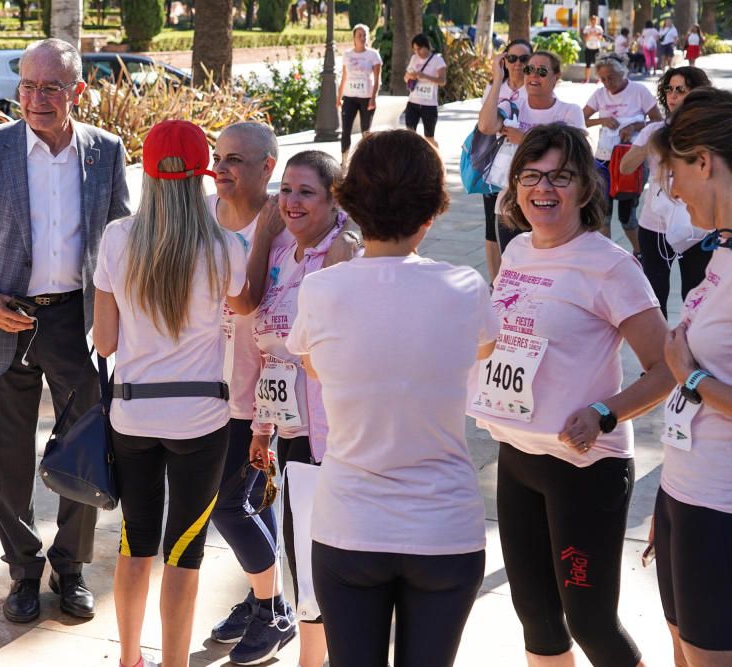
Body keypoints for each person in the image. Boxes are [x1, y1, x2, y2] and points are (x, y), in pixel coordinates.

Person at [0, 38, 131, 623]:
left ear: (78, 91)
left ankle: (69, 568)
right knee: (6, 458)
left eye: (50, 87)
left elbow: (119, 241)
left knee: (88, 450)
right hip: (3, 318)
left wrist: (118, 318)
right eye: (27, 85)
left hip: (77, 320)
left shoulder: (106, 150)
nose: (36, 98)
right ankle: (22, 570)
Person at [468, 124, 672, 667]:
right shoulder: (515, 254)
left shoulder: (608, 264)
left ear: (586, 188)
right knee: (534, 612)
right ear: (515, 188)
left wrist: (605, 413)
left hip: (584, 467)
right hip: (517, 458)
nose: (544, 189)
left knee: (590, 622)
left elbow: (666, 369)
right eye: (531, 176)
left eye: (561, 177)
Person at [291, 131, 493, 667]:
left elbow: (314, 364)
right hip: (445, 526)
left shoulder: (321, 290)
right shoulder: (466, 287)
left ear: (351, 201)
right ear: (432, 210)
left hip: (349, 524)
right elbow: (483, 348)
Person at [91, 119, 251, 667]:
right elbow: (245, 305)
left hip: (132, 415)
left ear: (149, 175)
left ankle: (129, 658)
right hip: (201, 421)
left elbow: (105, 342)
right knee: (185, 553)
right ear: (200, 178)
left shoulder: (116, 238)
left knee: (135, 542)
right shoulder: (224, 248)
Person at [245, 150, 360, 667]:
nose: (290, 202)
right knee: (304, 567)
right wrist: (261, 427)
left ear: (334, 199)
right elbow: (269, 345)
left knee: (341, 567)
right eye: (285, 190)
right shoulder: (278, 251)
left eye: (305, 192)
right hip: (291, 430)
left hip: (338, 437)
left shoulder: (346, 253)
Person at [206, 122, 299, 665]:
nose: (223, 167)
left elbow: (255, 303)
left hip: (255, 398)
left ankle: (273, 609)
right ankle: (261, 595)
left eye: (237, 159)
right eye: (219, 156)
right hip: (201, 389)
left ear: (269, 167)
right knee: (249, 503)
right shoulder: (201, 219)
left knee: (229, 505)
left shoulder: (286, 230)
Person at [650, 86, 732, 667]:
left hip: (721, 509)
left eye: (674, 173)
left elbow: (694, 373)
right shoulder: (722, 248)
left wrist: (692, 378)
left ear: (703, 160)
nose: (672, 191)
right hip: (685, 492)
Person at [478, 51, 586, 274]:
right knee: (513, 273)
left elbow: (579, 154)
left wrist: (525, 139)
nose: (533, 75)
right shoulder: (513, 106)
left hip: (552, 205)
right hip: (511, 206)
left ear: (556, 77)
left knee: (550, 274)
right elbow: (486, 127)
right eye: (529, 70)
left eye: (542, 71)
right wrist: (498, 78)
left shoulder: (569, 111)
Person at [619, 66, 712, 318]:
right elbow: (625, 167)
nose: (672, 95)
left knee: (695, 295)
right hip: (655, 226)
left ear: (697, 93)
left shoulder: (711, 131)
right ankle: (661, 353)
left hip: (699, 226)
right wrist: (649, 143)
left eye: (680, 90)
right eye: (669, 89)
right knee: (654, 294)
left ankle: (692, 349)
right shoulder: (654, 130)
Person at [584, 54, 663, 256]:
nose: (607, 83)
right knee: (602, 214)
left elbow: (658, 122)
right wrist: (602, 121)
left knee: (627, 216)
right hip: (603, 160)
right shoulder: (599, 94)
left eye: (611, 77)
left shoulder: (639, 91)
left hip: (631, 161)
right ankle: (606, 256)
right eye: (603, 79)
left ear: (622, 73)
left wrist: (635, 126)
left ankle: (639, 253)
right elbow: (580, 119)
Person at [479, 39, 532, 281]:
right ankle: (495, 281)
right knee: (492, 226)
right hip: (495, 165)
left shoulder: (534, 88)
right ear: (504, 60)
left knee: (523, 225)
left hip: (523, 168)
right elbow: (484, 124)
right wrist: (497, 77)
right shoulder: (494, 87)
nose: (517, 64)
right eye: (512, 58)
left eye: (523, 59)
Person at [336, 23, 382, 169]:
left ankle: (366, 162)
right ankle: (344, 161)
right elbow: (344, 77)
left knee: (366, 132)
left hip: (366, 97)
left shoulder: (373, 55)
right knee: (346, 130)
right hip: (349, 97)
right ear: (354, 38)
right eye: (359, 35)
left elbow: (377, 79)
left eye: (364, 35)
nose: (362, 38)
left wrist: (373, 97)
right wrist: (339, 96)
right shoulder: (348, 55)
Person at [403, 33, 446, 148]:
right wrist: (410, 76)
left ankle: (438, 160)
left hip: (429, 104)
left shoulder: (438, 60)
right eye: (415, 50)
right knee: (410, 134)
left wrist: (425, 76)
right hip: (413, 102)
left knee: (429, 138)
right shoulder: (414, 58)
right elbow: (405, 76)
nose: (417, 52)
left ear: (426, 46)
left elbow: (442, 81)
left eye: (419, 49)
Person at [583, 14, 605, 83]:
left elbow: (600, 37)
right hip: (588, 47)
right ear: (590, 21)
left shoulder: (599, 28)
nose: (593, 22)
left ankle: (598, 79)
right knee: (587, 64)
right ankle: (587, 79)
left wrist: (592, 34)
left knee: (597, 65)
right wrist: (594, 34)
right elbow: (586, 38)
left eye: (595, 20)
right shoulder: (587, 28)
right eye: (592, 20)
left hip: (596, 47)